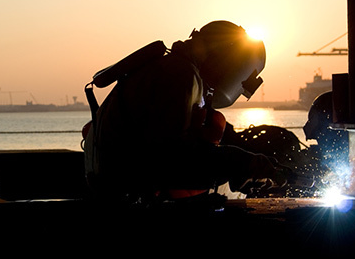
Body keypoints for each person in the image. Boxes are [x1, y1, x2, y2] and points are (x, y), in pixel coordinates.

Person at [83, 20, 289, 203]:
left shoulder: (173, 67)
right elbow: (173, 158)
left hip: (118, 183)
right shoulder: (181, 75)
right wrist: (245, 164)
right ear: (226, 60)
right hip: (128, 194)